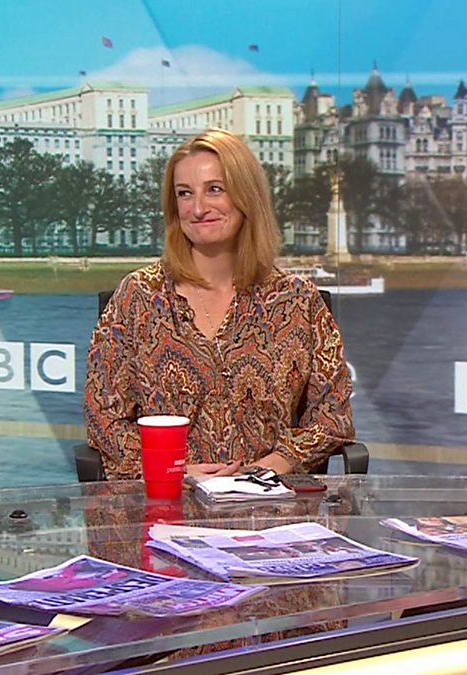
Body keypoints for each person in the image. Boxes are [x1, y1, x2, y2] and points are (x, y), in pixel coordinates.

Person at [83, 128, 355, 479]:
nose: (198, 208)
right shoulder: (139, 297)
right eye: (184, 194)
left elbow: (332, 417)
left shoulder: (298, 301)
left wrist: (269, 467)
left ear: (246, 196)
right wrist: (177, 471)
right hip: (170, 498)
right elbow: (103, 418)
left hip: (269, 499)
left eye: (215, 189)